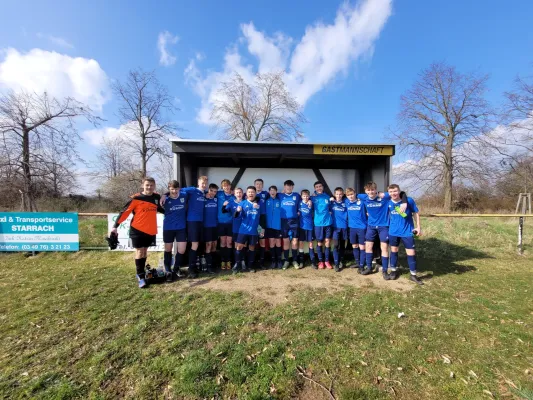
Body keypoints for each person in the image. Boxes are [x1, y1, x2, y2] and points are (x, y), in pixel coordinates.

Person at [110, 177, 164, 288]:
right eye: (147, 185)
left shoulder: (156, 197)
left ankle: (142, 272)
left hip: (150, 230)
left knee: (144, 251)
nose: (149, 187)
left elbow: (161, 208)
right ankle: (140, 276)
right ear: (142, 185)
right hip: (137, 230)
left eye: (151, 185)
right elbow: (124, 212)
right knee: (139, 252)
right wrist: (115, 226)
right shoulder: (136, 198)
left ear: (154, 186)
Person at [357, 181, 407, 276]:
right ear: (365, 191)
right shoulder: (364, 197)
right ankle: (369, 267)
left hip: (383, 226)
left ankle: (384, 271)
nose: (370, 192)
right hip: (371, 226)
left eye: (372, 190)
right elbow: (348, 195)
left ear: (376, 190)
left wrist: (404, 202)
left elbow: (401, 193)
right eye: (368, 190)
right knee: (368, 246)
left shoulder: (384, 196)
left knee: (384, 248)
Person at [387, 184, 423, 284]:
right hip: (393, 231)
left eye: (395, 191)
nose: (393, 193)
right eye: (391, 192)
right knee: (393, 250)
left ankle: (413, 274)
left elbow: (416, 213)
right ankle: (393, 271)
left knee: (411, 252)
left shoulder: (409, 200)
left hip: (407, 231)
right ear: (388, 193)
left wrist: (418, 227)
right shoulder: (388, 202)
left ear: (399, 191)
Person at [181, 176, 208, 278]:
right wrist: (164, 196)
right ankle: (191, 268)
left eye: (205, 183)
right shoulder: (192, 190)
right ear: (198, 182)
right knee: (194, 244)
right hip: (192, 221)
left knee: (197, 244)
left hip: (200, 221)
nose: (204, 185)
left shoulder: (204, 193)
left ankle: (193, 266)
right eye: (202, 183)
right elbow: (178, 190)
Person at [162, 180, 187, 281]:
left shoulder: (184, 195)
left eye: (176, 189)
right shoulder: (165, 199)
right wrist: (164, 195)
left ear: (179, 188)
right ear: (169, 189)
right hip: (168, 228)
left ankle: (176, 268)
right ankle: (168, 270)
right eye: (172, 189)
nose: (174, 191)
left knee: (182, 250)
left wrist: (165, 193)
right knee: (168, 249)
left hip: (181, 227)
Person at [234, 186, 262, 274]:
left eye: (252, 192)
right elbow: (235, 216)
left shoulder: (259, 204)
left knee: (252, 248)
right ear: (247, 193)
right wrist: (238, 211)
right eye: (249, 192)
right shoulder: (242, 203)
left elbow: (263, 217)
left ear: (255, 193)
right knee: (239, 247)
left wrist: (262, 229)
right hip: (243, 230)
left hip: (254, 231)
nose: (251, 193)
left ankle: (250, 266)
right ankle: (237, 266)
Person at [278, 180, 301, 269]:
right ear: (284, 187)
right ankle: (286, 260)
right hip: (284, 221)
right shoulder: (280, 195)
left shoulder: (297, 195)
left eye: (290, 186)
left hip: (294, 221)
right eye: (287, 186)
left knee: (295, 241)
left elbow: (306, 199)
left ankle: (295, 260)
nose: (289, 187)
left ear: (293, 187)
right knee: (286, 241)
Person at [311, 181, 333, 269]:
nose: (318, 188)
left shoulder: (328, 197)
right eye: (317, 187)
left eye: (320, 186)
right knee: (319, 242)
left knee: (327, 242)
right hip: (318, 223)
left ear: (322, 187)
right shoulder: (312, 198)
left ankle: (327, 261)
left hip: (328, 222)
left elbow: (332, 208)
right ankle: (320, 261)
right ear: (315, 188)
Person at [345, 187, 367, 273]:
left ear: (355, 194)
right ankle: (358, 263)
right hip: (352, 228)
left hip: (362, 227)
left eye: (352, 194)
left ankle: (362, 265)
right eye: (348, 195)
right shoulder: (346, 202)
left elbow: (367, 196)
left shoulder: (361, 202)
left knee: (362, 247)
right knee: (354, 246)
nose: (350, 196)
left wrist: (358, 195)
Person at [222, 187, 244, 270]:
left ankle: (243, 261)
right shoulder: (231, 203)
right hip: (235, 227)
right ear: (234, 194)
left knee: (243, 245)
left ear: (242, 193)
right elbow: (224, 211)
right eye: (237, 193)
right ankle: (236, 262)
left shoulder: (245, 202)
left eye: (240, 192)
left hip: (245, 228)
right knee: (236, 246)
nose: (239, 194)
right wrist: (224, 206)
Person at [216, 179, 234, 270]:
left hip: (231, 223)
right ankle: (223, 261)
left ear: (230, 186)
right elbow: (207, 192)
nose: (226, 187)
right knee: (223, 242)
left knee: (229, 242)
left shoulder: (234, 196)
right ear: (222, 187)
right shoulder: (218, 194)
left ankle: (229, 261)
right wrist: (165, 194)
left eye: (228, 185)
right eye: (224, 186)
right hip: (221, 222)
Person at [331, 187, 348, 272]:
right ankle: (336, 263)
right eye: (337, 194)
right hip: (335, 227)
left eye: (340, 194)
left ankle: (341, 260)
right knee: (336, 245)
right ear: (334, 194)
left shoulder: (346, 202)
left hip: (344, 227)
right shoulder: (332, 202)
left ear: (343, 194)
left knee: (342, 245)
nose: (339, 196)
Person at [265, 185, 282, 269]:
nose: (272, 192)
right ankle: (273, 261)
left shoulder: (280, 200)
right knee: (271, 243)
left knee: (278, 243)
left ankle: (279, 261)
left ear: (276, 191)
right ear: (269, 192)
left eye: (274, 190)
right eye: (271, 190)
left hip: (278, 225)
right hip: (269, 226)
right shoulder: (266, 200)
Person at [203, 183, 219, 274]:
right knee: (208, 245)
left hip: (215, 225)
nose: (213, 193)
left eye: (215, 191)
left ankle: (213, 264)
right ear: (208, 190)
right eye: (211, 191)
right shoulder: (203, 198)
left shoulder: (217, 199)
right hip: (206, 226)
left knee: (214, 245)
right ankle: (208, 266)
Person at [297, 189, 314, 269]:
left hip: (310, 226)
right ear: (301, 196)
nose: (306, 197)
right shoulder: (299, 203)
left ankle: (313, 261)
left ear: (309, 196)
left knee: (310, 244)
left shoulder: (311, 203)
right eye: (304, 196)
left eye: (307, 196)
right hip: (301, 227)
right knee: (301, 243)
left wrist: (311, 200)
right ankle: (301, 261)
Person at [254, 178, 269, 267]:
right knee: (252, 241)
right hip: (252, 219)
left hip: (262, 219)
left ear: (262, 185)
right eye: (257, 184)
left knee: (262, 241)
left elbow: (276, 196)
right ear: (254, 185)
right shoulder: (249, 194)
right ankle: (252, 261)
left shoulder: (266, 194)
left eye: (260, 184)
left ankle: (261, 262)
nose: (258, 185)